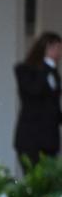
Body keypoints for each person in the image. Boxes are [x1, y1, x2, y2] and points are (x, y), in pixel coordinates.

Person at [13, 31, 62, 172]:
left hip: (50, 140)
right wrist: (46, 65)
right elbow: (35, 90)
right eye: (57, 48)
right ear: (47, 47)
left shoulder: (53, 73)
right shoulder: (24, 70)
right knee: (34, 178)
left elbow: (52, 106)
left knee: (49, 180)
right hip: (31, 138)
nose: (59, 53)